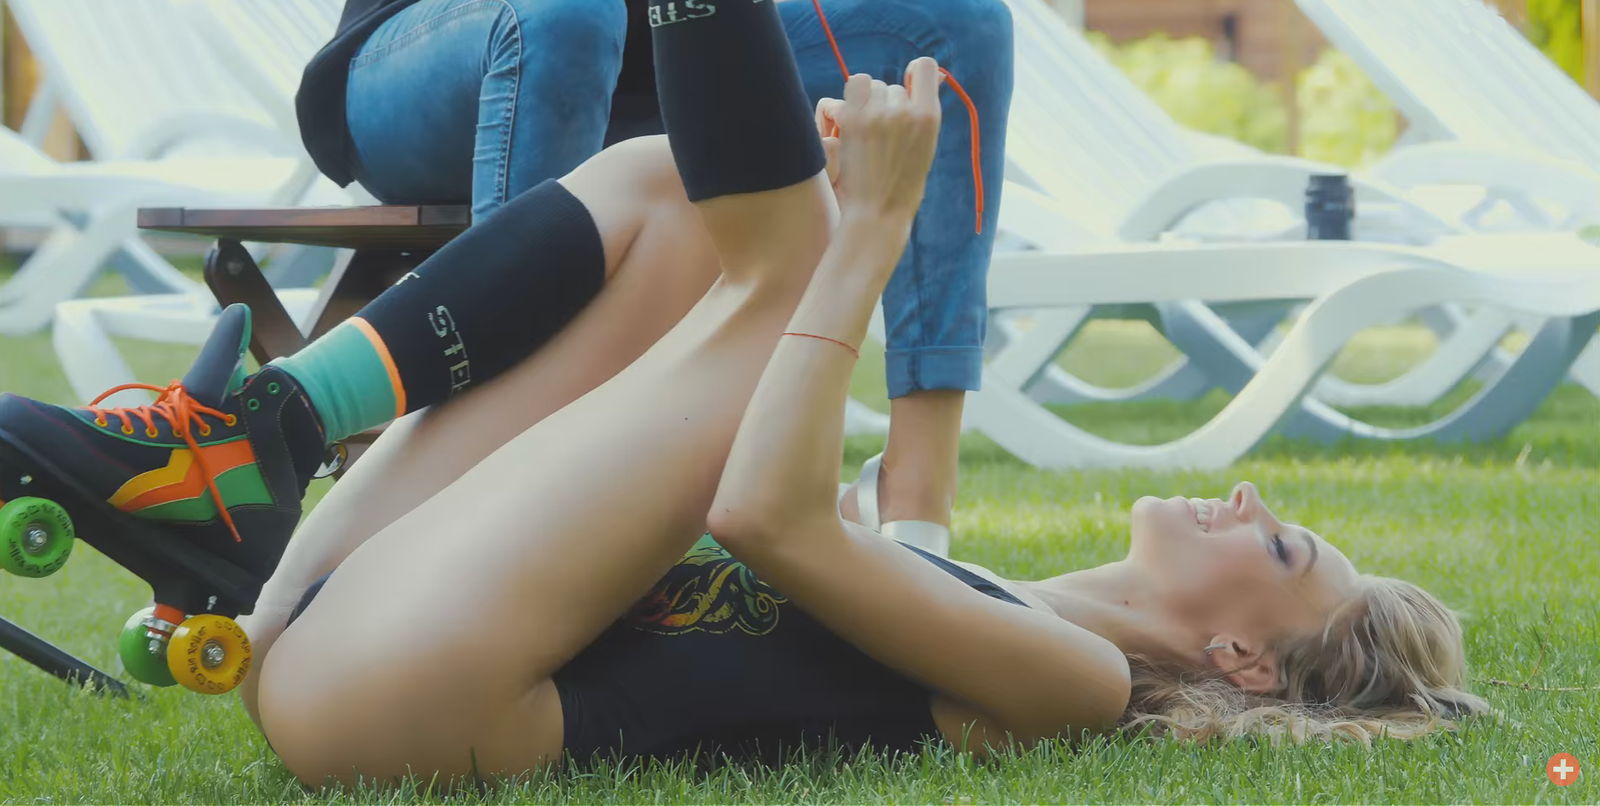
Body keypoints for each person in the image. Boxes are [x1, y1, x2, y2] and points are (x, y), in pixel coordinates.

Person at [0, 0, 1481, 786]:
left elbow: (766, 514)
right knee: (668, 194)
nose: (1249, 498)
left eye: (1278, 540)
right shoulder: (987, 590)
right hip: (350, 627)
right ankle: (263, 444)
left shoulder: (1077, 681)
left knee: (800, 250)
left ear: (1239, 657)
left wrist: (871, 241)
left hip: (423, 700)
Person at [296, 0, 1020, 555]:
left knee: (955, 20)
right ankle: (513, 503)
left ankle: (913, 504)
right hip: (434, 51)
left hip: (660, 61)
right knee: (569, 14)